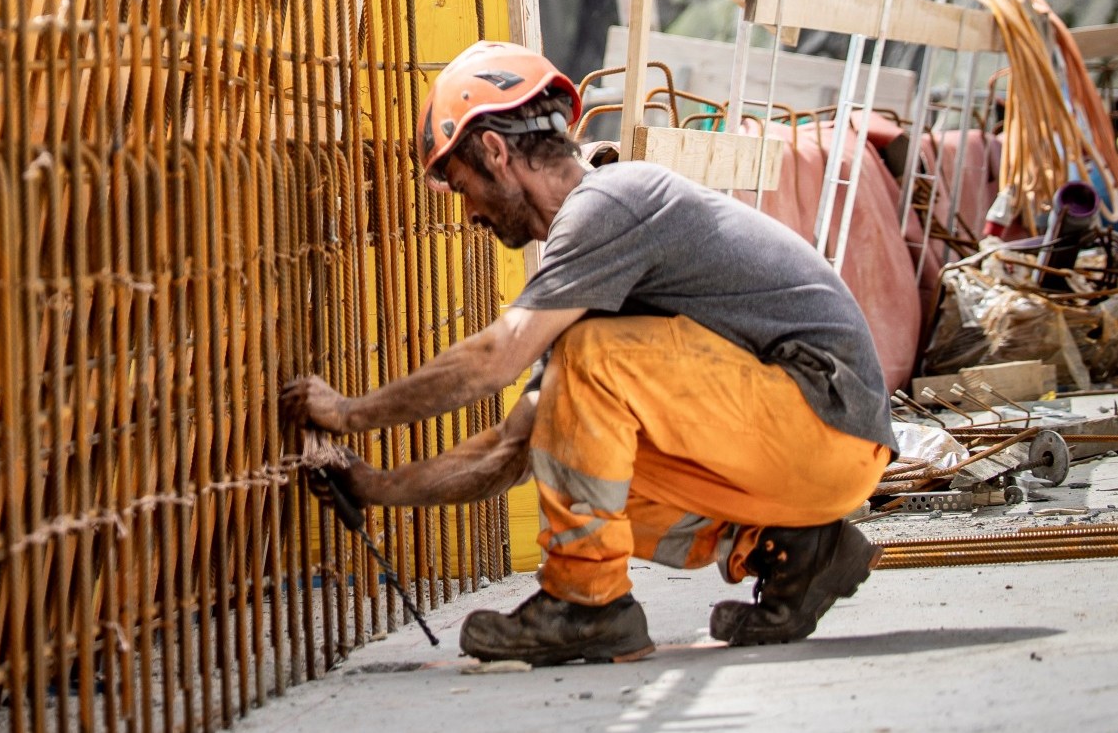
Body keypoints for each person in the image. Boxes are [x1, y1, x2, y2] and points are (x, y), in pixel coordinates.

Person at [280, 41, 894, 666]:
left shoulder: (609, 202)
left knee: (587, 353)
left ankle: (587, 603)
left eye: (464, 186)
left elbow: (498, 356)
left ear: (495, 151)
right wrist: (371, 486)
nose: (468, 214)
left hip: (825, 415)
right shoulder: (589, 262)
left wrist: (349, 412)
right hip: (816, 453)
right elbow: (513, 449)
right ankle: (792, 548)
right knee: (568, 444)